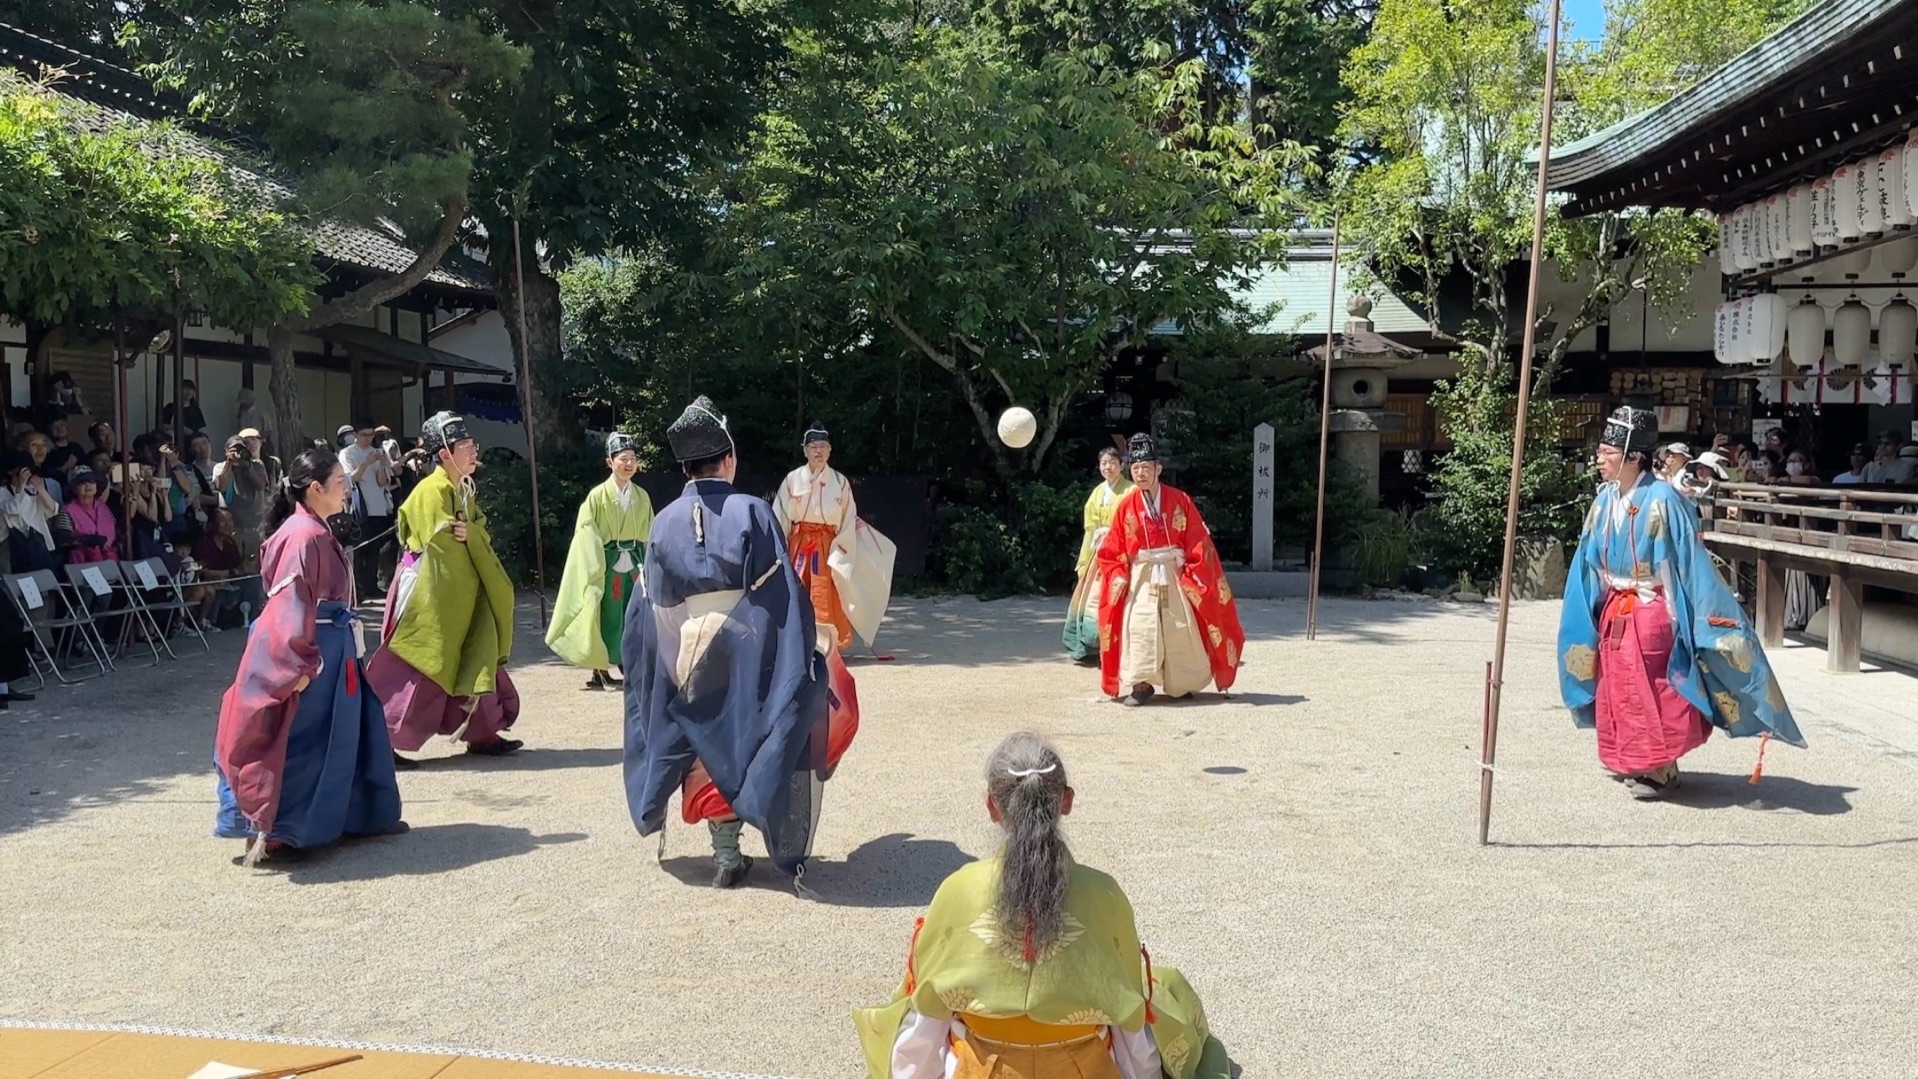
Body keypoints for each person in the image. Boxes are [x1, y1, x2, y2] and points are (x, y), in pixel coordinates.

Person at [855, 733, 1227, 1079]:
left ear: (992, 807)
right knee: (1164, 986)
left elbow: (926, 1021)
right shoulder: (1104, 894)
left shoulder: (957, 891)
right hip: (1084, 1069)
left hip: (981, 1071)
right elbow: (1128, 1023)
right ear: (1066, 800)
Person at [623, 396, 852, 889]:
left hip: (684, 648)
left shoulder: (662, 520)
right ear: (728, 460)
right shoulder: (751, 509)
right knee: (791, 711)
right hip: (747, 645)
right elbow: (780, 593)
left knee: (704, 745)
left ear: (686, 466)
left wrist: (667, 668)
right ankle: (776, 828)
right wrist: (801, 647)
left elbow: (652, 605)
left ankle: (725, 853)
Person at [1557, 407, 1804, 800]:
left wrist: (1685, 620)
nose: (1598, 459)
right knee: (1619, 688)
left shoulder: (1664, 499)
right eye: (1600, 452)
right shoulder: (1604, 500)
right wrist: (1588, 609)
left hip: (1653, 607)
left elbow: (1685, 563)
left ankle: (1660, 765)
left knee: (1657, 689)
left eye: (1606, 452)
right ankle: (1636, 758)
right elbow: (1589, 562)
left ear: (1632, 456)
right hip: (1616, 609)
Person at [213, 448, 405, 866]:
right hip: (311, 648)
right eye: (339, 482)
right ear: (315, 489)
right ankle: (281, 829)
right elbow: (290, 605)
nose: (346, 489)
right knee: (300, 740)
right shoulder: (304, 535)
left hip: (333, 646)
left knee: (348, 735)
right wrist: (299, 663)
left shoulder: (313, 529)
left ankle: (354, 815)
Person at [366, 411, 521, 763]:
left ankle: (482, 732)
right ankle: (384, 741)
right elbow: (439, 541)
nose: (472, 451)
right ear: (444, 454)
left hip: (462, 586)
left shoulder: (463, 487)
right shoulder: (430, 490)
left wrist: (473, 538)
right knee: (419, 663)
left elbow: (475, 531)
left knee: (478, 649)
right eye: (464, 445)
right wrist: (470, 540)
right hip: (430, 591)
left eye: (471, 444)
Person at [1094, 434, 1245, 707]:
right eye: (1136, 469)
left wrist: (1193, 571)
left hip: (1175, 574)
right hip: (1141, 575)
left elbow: (1199, 540)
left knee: (1179, 628)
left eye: (1146, 468)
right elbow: (1112, 547)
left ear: (1158, 469)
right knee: (1139, 625)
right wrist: (1118, 575)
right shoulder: (1126, 505)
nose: (1141, 474)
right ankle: (1142, 684)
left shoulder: (1181, 500)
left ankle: (1181, 684)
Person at [772, 424, 896, 653]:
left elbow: (848, 519)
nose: (818, 451)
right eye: (813, 447)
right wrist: (779, 548)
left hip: (829, 545)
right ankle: (794, 644)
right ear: (805, 450)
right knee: (795, 588)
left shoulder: (840, 482)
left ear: (830, 451)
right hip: (799, 544)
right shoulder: (792, 480)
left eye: (823, 447)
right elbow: (780, 516)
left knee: (825, 592)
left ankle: (827, 646)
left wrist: (841, 551)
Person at [547, 432, 655, 690]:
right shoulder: (597, 496)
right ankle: (599, 668)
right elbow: (586, 533)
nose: (628, 464)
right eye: (622, 459)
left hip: (634, 564)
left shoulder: (641, 496)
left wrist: (647, 562)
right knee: (605, 614)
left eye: (632, 459)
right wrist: (598, 562)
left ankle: (629, 663)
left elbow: (650, 531)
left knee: (634, 613)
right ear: (610, 462)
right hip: (605, 562)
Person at [1064, 446, 1133, 664]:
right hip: (1098, 553)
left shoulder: (1131, 491)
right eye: (1104, 463)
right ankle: (1090, 647)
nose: (1108, 467)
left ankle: (1117, 649)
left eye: (1113, 463)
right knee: (1092, 599)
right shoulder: (1097, 493)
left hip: (1121, 554)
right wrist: (1084, 560)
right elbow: (1090, 530)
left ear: (1122, 466)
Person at [339, 420, 399, 601]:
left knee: (375, 550)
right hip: (359, 508)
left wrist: (381, 464)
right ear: (355, 435)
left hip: (378, 507)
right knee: (358, 550)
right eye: (364, 435)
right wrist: (366, 462)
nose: (368, 439)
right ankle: (356, 590)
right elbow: (351, 479)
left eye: (371, 435)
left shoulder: (377, 452)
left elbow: (383, 482)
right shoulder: (348, 453)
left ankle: (372, 586)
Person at [215, 433, 271, 566]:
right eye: (234, 449)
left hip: (255, 525)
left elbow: (260, 485)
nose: (238, 453)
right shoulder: (220, 467)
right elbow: (220, 486)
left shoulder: (257, 465)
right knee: (234, 563)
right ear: (226, 451)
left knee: (255, 564)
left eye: (241, 449)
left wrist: (246, 465)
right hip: (233, 525)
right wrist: (230, 464)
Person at [2, 451, 59, 572]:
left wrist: (40, 488)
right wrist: (20, 487)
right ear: (11, 471)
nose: (27, 473)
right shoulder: (2, 492)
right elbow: (12, 509)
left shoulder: (34, 490)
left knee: (44, 583)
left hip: (41, 544)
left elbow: (53, 510)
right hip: (17, 547)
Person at [63, 469, 116, 565]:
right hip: (82, 563)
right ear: (74, 489)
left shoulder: (103, 507)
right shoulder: (66, 511)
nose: (88, 485)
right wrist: (87, 540)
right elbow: (63, 540)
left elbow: (116, 531)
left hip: (112, 562)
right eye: (82, 482)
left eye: (92, 481)